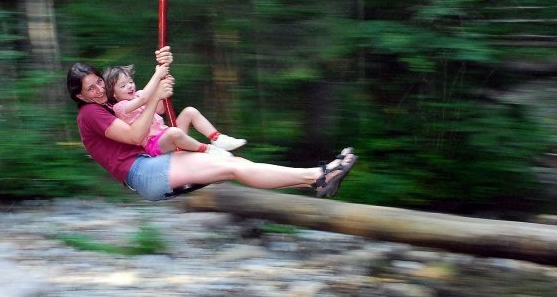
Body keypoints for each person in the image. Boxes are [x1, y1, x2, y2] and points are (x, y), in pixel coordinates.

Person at [67, 46, 357, 201]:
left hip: (155, 164)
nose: (98, 91)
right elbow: (134, 135)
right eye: (89, 89)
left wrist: (161, 66)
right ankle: (318, 175)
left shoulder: (105, 105)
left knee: (237, 167)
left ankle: (317, 178)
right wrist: (155, 92)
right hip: (145, 171)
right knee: (233, 167)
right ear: (79, 95)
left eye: (98, 83)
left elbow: (143, 105)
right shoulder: (90, 114)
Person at [101, 64, 245, 158]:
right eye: (123, 85)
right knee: (174, 132)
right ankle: (207, 149)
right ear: (113, 94)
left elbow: (160, 109)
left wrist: (164, 87)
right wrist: (157, 75)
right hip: (155, 144)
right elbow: (144, 98)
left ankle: (217, 139)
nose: (129, 86)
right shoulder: (120, 107)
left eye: (130, 81)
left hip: (167, 135)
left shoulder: (139, 94)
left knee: (190, 111)